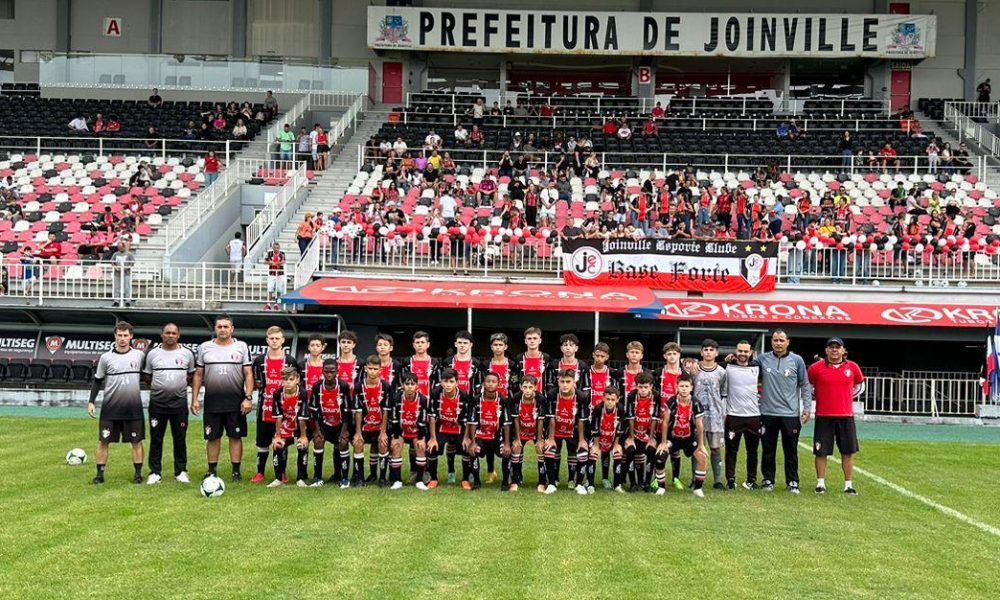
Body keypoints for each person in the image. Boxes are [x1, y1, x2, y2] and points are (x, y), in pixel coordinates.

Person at [191, 315, 254, 482]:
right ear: (215, 329)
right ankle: (212, 471)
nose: (223, 330)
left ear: (232, 329)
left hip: (236, 402)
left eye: (226, 326)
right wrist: (195, 399)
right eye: (220, 327)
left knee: (235, 437)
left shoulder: (241, 347)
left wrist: (248, 397)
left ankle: (236, 472)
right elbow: (198, 374)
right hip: (213, 402)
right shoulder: (205, 347)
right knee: (212, 437)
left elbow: (248, 374)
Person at [87, 321, 146, 485]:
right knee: (103, 441)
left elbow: (149, 376)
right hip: (110, 408)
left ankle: (138, 474)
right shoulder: (106, 358)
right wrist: (91, 401)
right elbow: (98, 381)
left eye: (125, 335)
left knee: (136, 442)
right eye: (119, 335)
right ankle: (99, 474)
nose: (122, 339)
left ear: (131, 336)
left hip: (133, 408)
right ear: (115, 336)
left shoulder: (139, 356)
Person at [756, 329, 812, 493]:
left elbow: (805, 385)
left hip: (790, 414)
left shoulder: (797, 360)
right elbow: (747, 369)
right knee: (768, 449)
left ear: (788, 342)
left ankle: (793, 482)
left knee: (791, 449)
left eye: (781, 340)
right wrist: (733, 359)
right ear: (771, 342)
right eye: (775, 340)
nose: (778, 343)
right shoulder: (762, 359)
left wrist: (807, 408)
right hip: (767, 413)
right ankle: (768, 480)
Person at [808, 337, 864, 495]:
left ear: (843, 350)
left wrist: (846, 396)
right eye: (831, 347)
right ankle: (820, 484)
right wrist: (820, 396)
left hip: (845, 415)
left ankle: (848, 485)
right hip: (824, 415)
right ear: (826, 350)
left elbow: (859, 386)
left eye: (837, 347)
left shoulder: (852, 367)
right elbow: (810, 387)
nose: (834, 350)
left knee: (847, 451)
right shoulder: (815, 368)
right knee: (821, 451)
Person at [142, 323, 196, 485]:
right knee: (156, 438)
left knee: (180, 438)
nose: (170, 335)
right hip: (157, 404)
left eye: (174, 333)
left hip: (179, 404)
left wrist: (176, 387)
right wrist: (160, 386)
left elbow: (192, 375)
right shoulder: (152, 354)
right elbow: (146, 376)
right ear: (162, 335)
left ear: (178, 335)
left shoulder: (187, 354)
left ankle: (181, 471)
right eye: (167, 333)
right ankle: (155, 472)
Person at [250, 326, 299, 484]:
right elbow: (256, 382)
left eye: (277, 338)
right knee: (262, 442)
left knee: (281, 441)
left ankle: (282, 472)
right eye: (271, 338)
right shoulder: (259, 361)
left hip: (285, 408)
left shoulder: (290, 361)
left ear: (283, 340)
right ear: (267, 340)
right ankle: (260, 472)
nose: (274, 341)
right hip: (265, 408)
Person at [542, 369, 591, 495]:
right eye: (562, 381)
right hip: (556, 429)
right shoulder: (552, 395)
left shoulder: (581, 397)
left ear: (574, 382)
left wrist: (581, 440)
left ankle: (578, 483)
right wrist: (551, 438)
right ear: (558, 382)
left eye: (568, 381)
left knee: (582, 452)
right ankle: (552, 483)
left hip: (573, 430)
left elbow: (581, 420)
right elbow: (551, 418)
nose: (565, 384)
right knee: (549, 450)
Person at [723, 340, 762, 490]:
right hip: (733, 416)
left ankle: (751, 480)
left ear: (751, 353)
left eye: (746, 351)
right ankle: (730, 480)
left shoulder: (757, 367)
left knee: (752, 450)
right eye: (740, 351)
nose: (743, 354)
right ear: (735, 351)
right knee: (731, 450)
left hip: (753, 416)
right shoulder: (728, 366)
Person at [662, 373, 709, 497]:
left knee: (702, 457)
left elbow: (699, 425)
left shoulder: (696, 403)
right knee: (660, 454)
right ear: (676, 386)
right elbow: (665, 423)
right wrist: (662, 443)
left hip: (689, 438)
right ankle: (661, 488)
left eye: (686, 386)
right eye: (681, 386)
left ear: (691, 388)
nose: (684, 389)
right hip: (673, 438)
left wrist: (701, 445)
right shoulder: (671, 402)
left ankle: (698, 489)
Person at [309, 357, 353, 488]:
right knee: (317, 441)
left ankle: (344, 478)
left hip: (341, 424)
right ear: (322, 371)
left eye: (332, 371)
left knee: (343, 442)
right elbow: (314, 410)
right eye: (326, 371)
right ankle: (317, 478)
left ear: (337, 372)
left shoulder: (343, 386)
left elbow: (347, 411)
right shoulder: (317, 386)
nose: (329, 374)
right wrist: (317, 430)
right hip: (324, 424)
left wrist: (344, 431)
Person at [384, 373, 430, 490]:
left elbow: (423, 421)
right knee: (395, 446)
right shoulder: (396, 398)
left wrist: (421, 438)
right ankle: (397, 480)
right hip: (401, 430)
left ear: (417, 385)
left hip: (415, 431)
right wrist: (395, 437)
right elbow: (394, 419)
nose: (410, 386)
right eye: (407, 384)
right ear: (402, 385)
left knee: (420, 447)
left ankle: (419, 481)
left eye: (412, 384)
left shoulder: (423, 399)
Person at [353, 355, 393, 487]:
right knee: (358, 443)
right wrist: (358, 433)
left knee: (382, 443)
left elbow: (386, 410)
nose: (372, 371)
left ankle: (381, 478)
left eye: (375, 369)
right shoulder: (359, 387)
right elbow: (358, 411)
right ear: (365, 368)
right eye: (370, 368)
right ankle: (360, 478)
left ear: (380, 370)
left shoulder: (386, 386)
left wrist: (383, 432)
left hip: (379, 426)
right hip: (364, 426)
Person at [427, 368, 470, 488]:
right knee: (432, 448)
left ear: (457, 382)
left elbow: (467, 420)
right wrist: (432, 438)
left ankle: (466, 478)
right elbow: (432, 417)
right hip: (442, 428)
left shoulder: (463, 395)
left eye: (451, 381)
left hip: (459, 429)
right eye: (445, 381)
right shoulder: (436, 393)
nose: (448, 385)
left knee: (467, 447)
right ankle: (434, 478)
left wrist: (466, 438)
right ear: (441, 382)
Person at [693, 338, 727, 489]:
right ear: (701, 352)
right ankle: (695, 479)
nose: (708, 352)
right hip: (697, 417)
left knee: (715, 448)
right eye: (705, 349)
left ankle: (717, 480)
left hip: (715, 417)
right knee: (697, 448)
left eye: (711, 349)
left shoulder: (722, 372)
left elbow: (724, 394)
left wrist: (723, 414)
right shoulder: (694, 370)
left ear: (716, 353)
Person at [464, 372, 508, 490]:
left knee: (506, 451)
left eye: (493, 382)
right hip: (481, 435)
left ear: (498, 384)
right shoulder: (476, 399)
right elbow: (472, 422)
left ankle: (505, 482)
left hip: (497, 436)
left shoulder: (503, 400)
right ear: (484, 383)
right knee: (473, 451)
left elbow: (507, 423)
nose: (490, 384)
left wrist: (507, 443)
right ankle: (477, 482)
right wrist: (473, 442)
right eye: (488, 381)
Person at [267, 366, 310, 488]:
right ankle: (278, 478)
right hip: (285, 426)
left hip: (299, 426)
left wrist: (302, 436)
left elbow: (302, 417)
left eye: (291, 379)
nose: (288, 382)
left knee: (302, 446)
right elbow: (278, 416)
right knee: (278, 445)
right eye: (285, 380)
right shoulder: (277, 393)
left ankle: (300, 478)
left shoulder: (302, 393)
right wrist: (278, 436)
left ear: (297, 380)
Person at [623, 371, 664, 493]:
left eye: (646, 387)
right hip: (633, 432)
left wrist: (651, 438)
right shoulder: (631, 396)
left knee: (651, 451)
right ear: (636, 386)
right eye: (640, 387)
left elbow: (655, 418)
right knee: (630, 451)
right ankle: (633, 483)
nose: (643, 390)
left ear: (651, 386)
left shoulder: (656, 396)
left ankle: (646, 482)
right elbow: (630, 418)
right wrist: (630, 437)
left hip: (648, 433)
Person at [507, 374, 543, 493]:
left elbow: (541, 420)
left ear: (535, 388)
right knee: (517, 448)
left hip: (535, 430)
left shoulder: (541, 399)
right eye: (525, 387)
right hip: (521, 429)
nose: (527, 390)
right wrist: (517, 439)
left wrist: (539, 440)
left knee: (541, 449)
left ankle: (542, 482)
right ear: (520, 387)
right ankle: (515, 481)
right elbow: (516, 419)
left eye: (530, 387)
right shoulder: (516, 398)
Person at [587, 386, 628, 492]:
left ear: (617, 400)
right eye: (608, 399)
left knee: (617, 453)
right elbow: (594, 428)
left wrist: (616, 445)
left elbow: (620, 428)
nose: (610, 402)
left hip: (613, 438)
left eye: (613, 400)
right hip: (598, 438)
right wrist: (596, 445)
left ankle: (616, 484)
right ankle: (590, 483)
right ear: (603, 398)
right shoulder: (598, 408)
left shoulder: (621, 409)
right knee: (593, 454)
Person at [110, 240, 134, 308]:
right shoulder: (115, 254)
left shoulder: (129, 254)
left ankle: (127, 301)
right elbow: (112, 261)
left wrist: (126, 268)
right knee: (116, 287)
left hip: (126, 273)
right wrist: (115, 267)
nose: (120, 249)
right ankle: (116, 301)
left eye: (121, 247)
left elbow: (132, 263)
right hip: (117, 273)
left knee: (127, 287)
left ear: (124, 247)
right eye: (119, 247)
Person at [264, 242, 286, 311]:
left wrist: (274, 263)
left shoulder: (282, 253)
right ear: (273, 248)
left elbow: (283, 262)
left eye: (277, 248)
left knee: (279, 289)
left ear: (279, 248)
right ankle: (268, 304)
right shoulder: (269, 253)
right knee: (270, 288)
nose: (276, 249)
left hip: (280, 274)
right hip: (272, 274)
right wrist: (270, 263)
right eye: (275, 248)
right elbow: (265, 261)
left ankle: (277, 305)